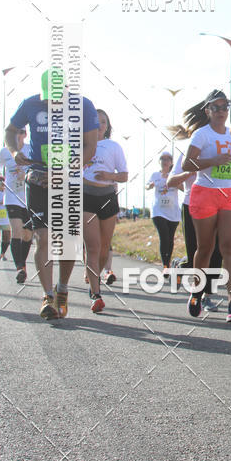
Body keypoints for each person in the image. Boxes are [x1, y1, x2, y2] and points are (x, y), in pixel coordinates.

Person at [5, 68, 99, 320]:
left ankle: (62, 288)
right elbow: (10, 130)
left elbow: (90, 147)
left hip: (69, 179)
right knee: (44, 238)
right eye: (48, 98)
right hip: (37, 177)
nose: (51, 103)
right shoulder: (30, 103)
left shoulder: (84, 106)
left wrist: (64, 172)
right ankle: (47, 296)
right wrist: (15, 152)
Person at [182, 90, 231, 322]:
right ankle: (197, 291)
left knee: (230, 247)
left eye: (225, 107)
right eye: (216, 107)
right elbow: (187, 164)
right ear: (208, 111)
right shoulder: (202, 135)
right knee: (205, 248)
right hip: (206, 193)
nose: (221, 111)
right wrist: (213, 161)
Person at [167, 126, 223, 312]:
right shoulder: (187, 152)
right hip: (192, 205)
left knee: (217, 253)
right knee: (196, 255)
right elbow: (170, 182)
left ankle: (206, 296)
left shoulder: (221, 149)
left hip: (217, 206)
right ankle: (180, 265)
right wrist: (186, 175)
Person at [83, 110, 128, 313]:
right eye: (96, 121)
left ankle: (94, 276)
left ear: (108, 126)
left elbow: (124, 175)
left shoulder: (113, 146)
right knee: (92, 247)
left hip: (108, 196)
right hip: (86, 196)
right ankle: (96, 293)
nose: (100, 125)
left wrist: (109, 175)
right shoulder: (80, 144)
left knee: (103, 248)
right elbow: (69, 170)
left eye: (104, 121)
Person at [0, 129, 33, 283]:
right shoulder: (5, 151)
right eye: (15, 132)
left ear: (25, 134)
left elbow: (40, 167)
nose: (18, 135)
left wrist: (27, 175)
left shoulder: (31, 149)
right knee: (16, 231)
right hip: (11, 197)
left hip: (29, 197)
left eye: (21, 132)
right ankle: (20, 268)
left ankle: (22, 264)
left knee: (27, 235)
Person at [147, 152, 182, 281]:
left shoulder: (175, 175)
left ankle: (168, 262)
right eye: (162, 159)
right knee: (164, 236)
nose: (165, 161)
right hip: (158, 211)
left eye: (168, 159)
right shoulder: (155, 175)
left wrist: (174, 182)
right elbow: (147, 186)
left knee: (170, 239)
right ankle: (166, 266)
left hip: (172, 211)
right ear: (159, 162)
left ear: (171, 162)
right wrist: (150, 185)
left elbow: (183, 188)